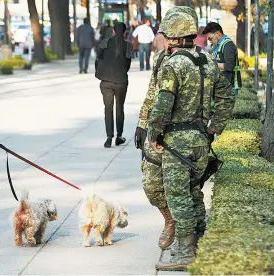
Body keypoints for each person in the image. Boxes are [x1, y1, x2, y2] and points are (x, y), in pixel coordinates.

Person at [147, 12, 235, 270]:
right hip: (200, 141)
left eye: (166, 36)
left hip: (176, 143)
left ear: (174, 37)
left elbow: (163, 105)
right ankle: (198, 242)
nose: (164, 41)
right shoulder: (207, 60)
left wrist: (153, 133)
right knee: (194, 194)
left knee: (179, 197)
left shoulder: (173, 65)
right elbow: (227, 97)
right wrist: (213, 128)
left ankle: (186, 252)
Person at [135, 5, 203, 252]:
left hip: (182, 137)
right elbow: (153, 91)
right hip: (158, 134)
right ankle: (169, 219)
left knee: (184, 191)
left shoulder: (199, 61)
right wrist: (143, 123)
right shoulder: (162, 57)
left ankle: (188, 237)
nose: (166, 42)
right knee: (151, 185)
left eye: (170, 36)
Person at [95, 22, 133, 148]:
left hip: (106, 81)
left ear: (113, 31)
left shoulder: (105, 41)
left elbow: (99, 56)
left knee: (108, 109)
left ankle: (108, 137)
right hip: (121, 80)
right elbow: (128, 64)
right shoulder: (128, 46)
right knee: (120, 109)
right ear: (124, 32)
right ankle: (119, 136)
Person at [203, 22, 242, 94]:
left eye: (210, 38)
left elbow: (229, 66)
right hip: (221, 85)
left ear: (217, 34)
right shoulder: (218, 45)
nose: (209, 41)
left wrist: (211, 63)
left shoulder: (228, 45)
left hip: (229, 86)